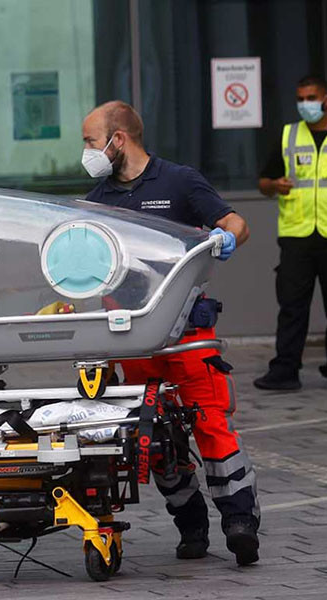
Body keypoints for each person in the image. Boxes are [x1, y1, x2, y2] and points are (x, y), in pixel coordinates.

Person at [81, 101, 260, 566]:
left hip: (187, 334)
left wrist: (226, 238)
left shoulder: (179, 181)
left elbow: (236, 223)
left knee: (211, 423)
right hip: (133, 338)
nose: (87, 152)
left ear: (118, 140)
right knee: (156, 439)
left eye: (91, 141)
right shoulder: (97, 200)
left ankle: (240, 522)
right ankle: (191, 523)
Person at [253, 74, 327, 392]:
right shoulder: (289, 135)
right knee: (292, 307)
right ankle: (285, 371)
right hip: (297, 236)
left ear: (325, 99)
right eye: (300, 99)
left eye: (311, 98)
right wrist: (275, 185)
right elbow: (264, 182)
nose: (305, 105)